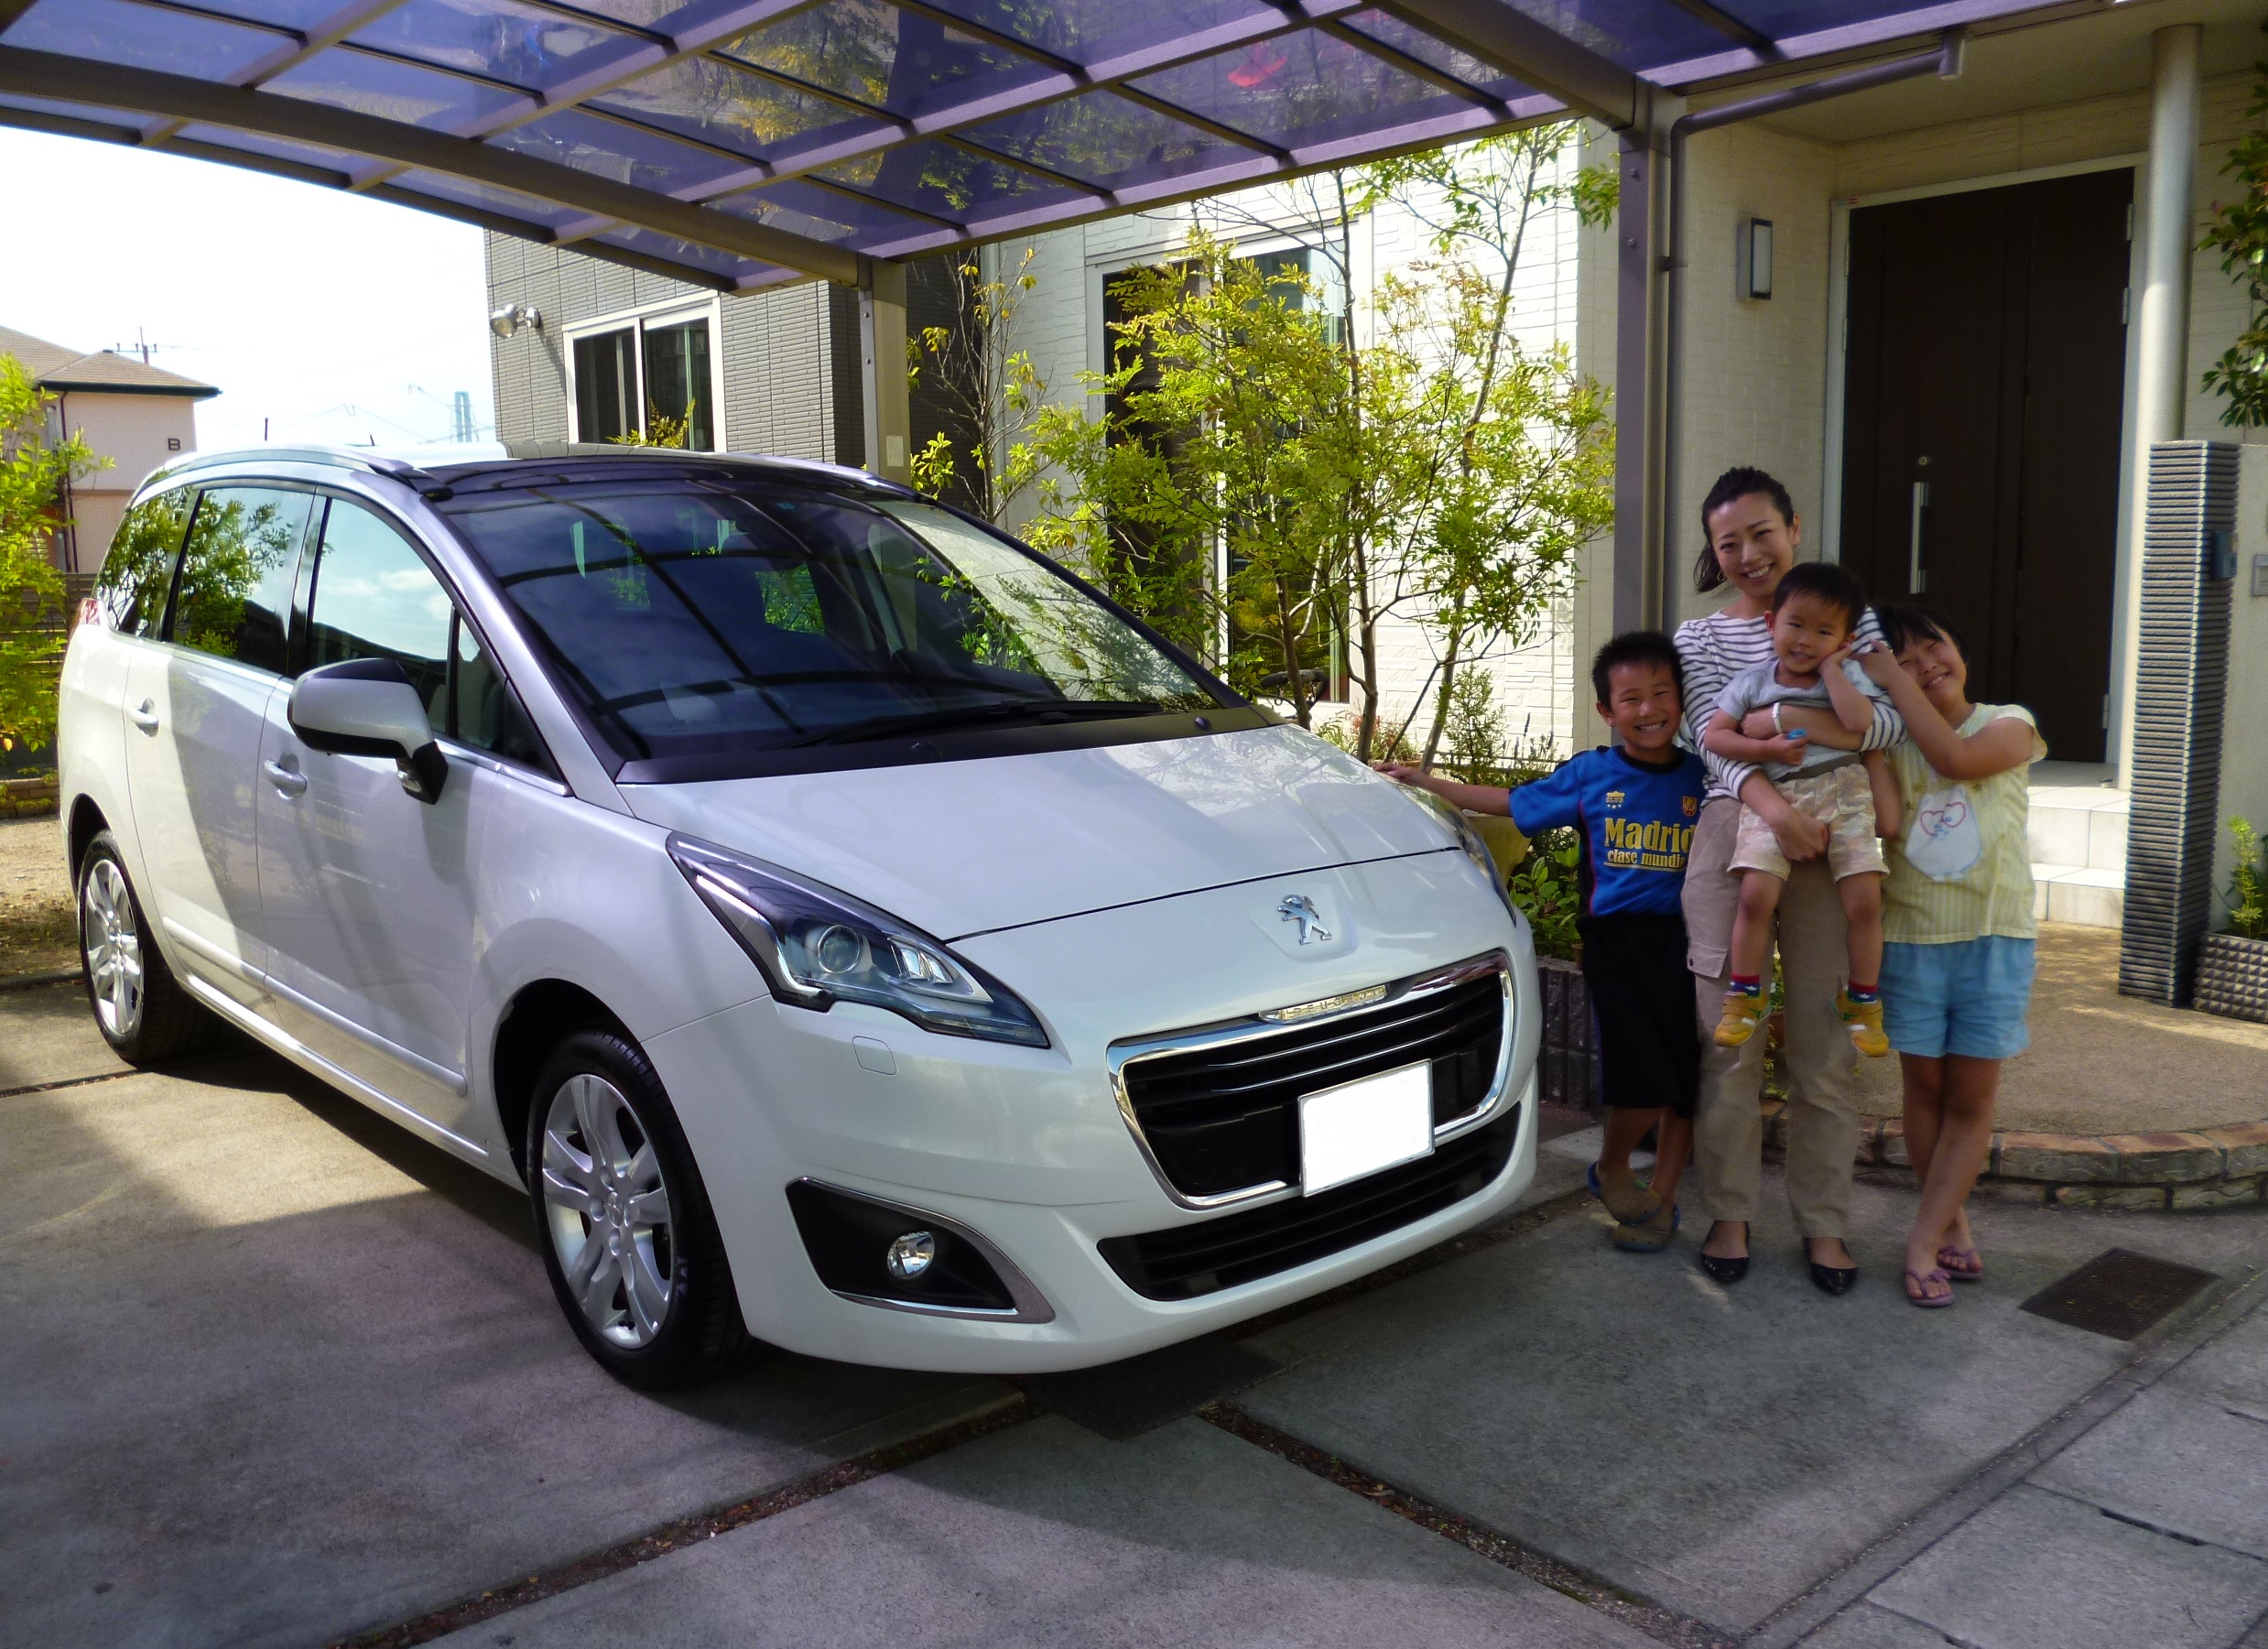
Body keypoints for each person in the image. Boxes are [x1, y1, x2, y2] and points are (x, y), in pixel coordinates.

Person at [1379, 632, 1705, 1253]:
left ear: (1680, 699)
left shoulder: (1700, 776)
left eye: (1661, 692)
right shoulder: (1591, 773)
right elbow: (1506, 801)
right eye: (1630, 698)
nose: (1648, 708)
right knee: (1642, 1078)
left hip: (1685, 943)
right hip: (1614, 945)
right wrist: (1427, 782)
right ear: (1608, 711)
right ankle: (1613, 1166)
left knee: (1683, 1079)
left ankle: (1660, 1197)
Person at [1675, 467, 1904, 1295]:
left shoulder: (1852, 613)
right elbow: (1712, 739)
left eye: (1759, 532)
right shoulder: (1698, 639)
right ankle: (1729, 1211)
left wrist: (1794, 732)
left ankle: (1825, 1224)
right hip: (1735, 832)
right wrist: (1779, 804)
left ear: (1794, 528)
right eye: (1726, 541)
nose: (1745, 552)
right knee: (1729, 1040)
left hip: (1831, 835)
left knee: (1821, 1046)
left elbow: (1876, 717)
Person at [1857, 606, 2046, 1308]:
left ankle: (1919, 1238)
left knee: (1971, 1101)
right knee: (1925, 1095)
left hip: (1993, 939)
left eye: (1930, 647)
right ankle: (1950, 1221)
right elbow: (1883, 823)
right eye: (1901, 661)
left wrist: (1884, 675)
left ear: (1957, 644)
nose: (1923, 666)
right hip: (1910, 938)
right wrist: (1873, 729)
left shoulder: (2008, 721)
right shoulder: (1888, 741)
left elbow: (1957, 760)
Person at [1699, 562, 1902, 1057]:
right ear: (1772, 623)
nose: (1807, 640)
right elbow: (1715, 736)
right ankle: (1744, 995)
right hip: (1780, 793)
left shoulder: (1849, 675)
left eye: (1824, 631)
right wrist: (1766, 751)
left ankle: (1864, 1001)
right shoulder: (1752, 682)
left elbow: (1859, 725)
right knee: (1754, 895)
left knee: (1865, 901)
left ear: (1845, 639)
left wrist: (1835, 669)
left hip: (1846, 792)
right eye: (1796, 624)